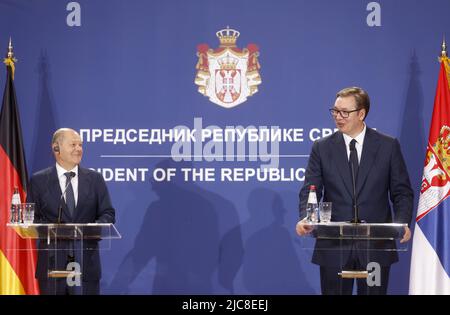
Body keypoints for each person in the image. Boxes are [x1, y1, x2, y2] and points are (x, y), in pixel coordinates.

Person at [296, 87, 413, 295]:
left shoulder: (388, 146)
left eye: (344, 112)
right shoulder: (322, 148)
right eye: (335, 111)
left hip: (376, 247)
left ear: (361, 114)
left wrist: (402, 222)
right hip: (334, 247)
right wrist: (307, 217)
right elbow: (310, 189)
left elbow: (401, 192)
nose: (338, 117)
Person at [27, 128, 115, 295]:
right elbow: (32, 218)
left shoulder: (95, 179)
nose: (78, 149)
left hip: (86, 263)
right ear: (56, 148)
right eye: (73, 144)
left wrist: (89, 229)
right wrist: (54, 229)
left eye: (80, 145)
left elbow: (108, 214)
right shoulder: (38, 181)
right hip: (52, 265)